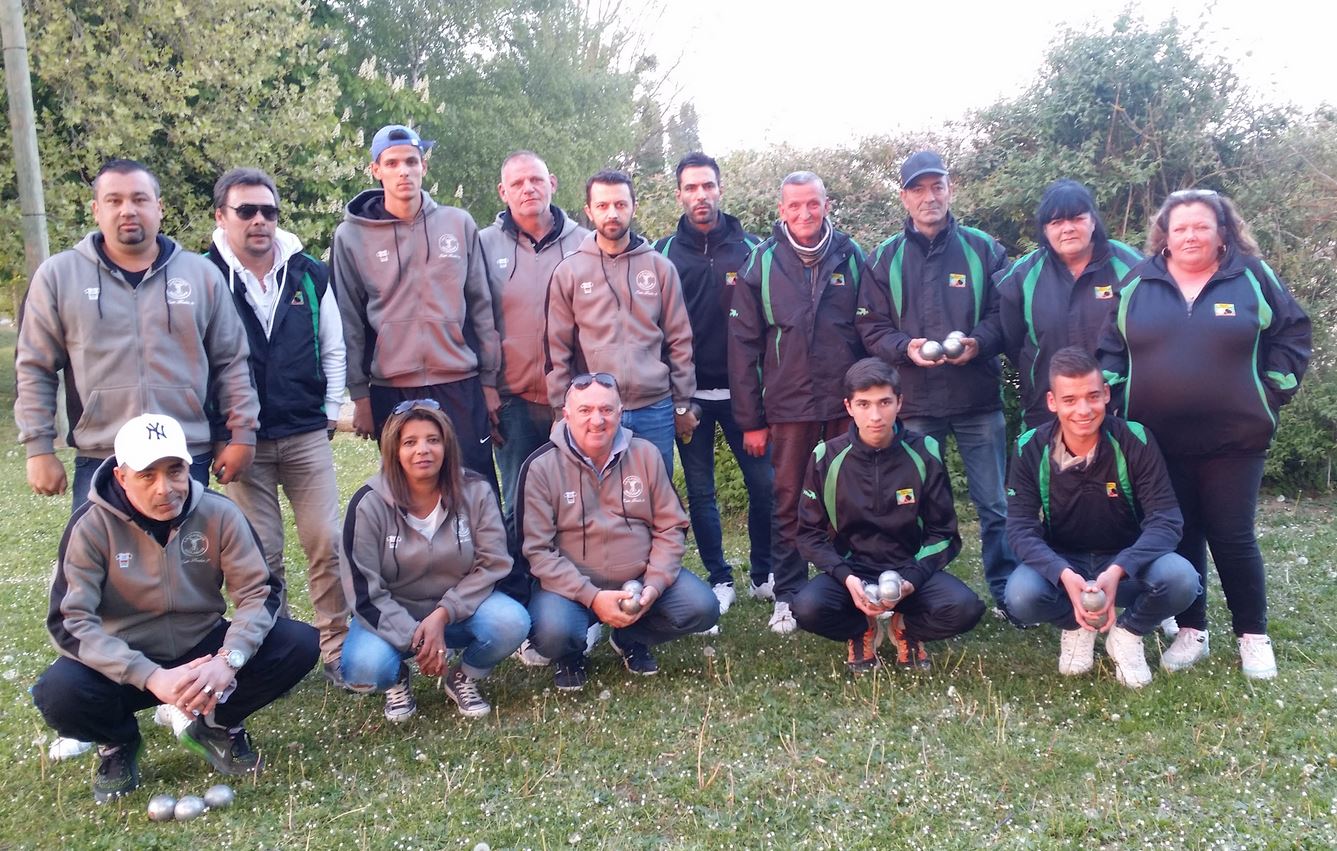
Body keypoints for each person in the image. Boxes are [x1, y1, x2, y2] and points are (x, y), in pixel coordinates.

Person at [32, 414, 318, 803]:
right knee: (58, 691)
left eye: (175, 471)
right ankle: (119, 742)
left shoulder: (220, 513)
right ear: (121, 477)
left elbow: (260, 592)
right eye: (147, 475)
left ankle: (216, 724)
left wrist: (228, 660)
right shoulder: (90, 525)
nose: (164, 488)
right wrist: (150, 676)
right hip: (127, 661)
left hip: (201, 649)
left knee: (298, 642)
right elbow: (70, 621)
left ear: (188, 467)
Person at [1098, 189, 1311, 679]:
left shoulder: (1251, 277)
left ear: (1222, 233)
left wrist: (1272, 389)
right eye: (1180, 228)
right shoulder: (1139, 280)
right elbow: (1109, 347)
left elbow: (1293, 334)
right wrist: (1116, 396)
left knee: (1232, 536)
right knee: (1181, 534)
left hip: (1234, 437)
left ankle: (1253, 637)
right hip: (1156, 440)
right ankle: (1193, 631)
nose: (1190, 235)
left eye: (1201, 226)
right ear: (1165, 237)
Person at [15, 158, 259, 509]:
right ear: (96, 210)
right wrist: (38, 448)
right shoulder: (58, 276)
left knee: (187, 562)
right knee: (100, 563)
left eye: (140, 199)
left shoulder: (201, 275)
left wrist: (241, 434)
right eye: (114, 200)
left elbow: (232, 362)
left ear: (159, 208)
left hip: (185, 454)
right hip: (102, 456)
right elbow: (35, 366)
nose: (128, 210)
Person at [204, 167, 350, 685]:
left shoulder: (309, 273)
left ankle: (335, 647)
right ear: (222, 217)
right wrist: (218, 432)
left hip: (306, 431)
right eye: (246, 211)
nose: (259, 220)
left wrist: (331, 409)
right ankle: (281, 651)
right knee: (260, 556)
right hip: (241, 441)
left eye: (268, 210)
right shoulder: (204, 276)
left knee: (326, 542)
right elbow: (198, 359)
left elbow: (333, 344)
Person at [857, 150, 1018, 616]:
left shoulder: (984, 249)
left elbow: (1002, 316)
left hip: (977, 401)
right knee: (913, 507)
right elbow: (870, 325)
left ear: (950, 189)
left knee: (994, 505)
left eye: (937, 186)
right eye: (918, 189)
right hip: (916, 405)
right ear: (905, 197)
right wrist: (904, 348)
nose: (929, 197)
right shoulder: (883, 257)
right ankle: (918, 588)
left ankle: (1006, 590)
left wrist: (979, 342)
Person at [1004, 348, 1200, 687]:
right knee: (1020, 596)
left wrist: (1118, 570)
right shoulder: (1029, 447)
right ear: (1052, 401)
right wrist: (1062, 574)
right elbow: (1020, 529)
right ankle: (1076, 625)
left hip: (1126, 564)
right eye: (1070, 400)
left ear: (1106, 394)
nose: (1083, 410)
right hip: (1066, 563)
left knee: (1183, 579)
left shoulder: (1135, 439)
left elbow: (1166, 519)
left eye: (1093, 397)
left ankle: (1127, 634)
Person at [728, 171, 867, 635]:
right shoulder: (760, 264)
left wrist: (870, 403)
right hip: (786, 408)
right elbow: (743, 349)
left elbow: (868, 333)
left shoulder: (852, 256)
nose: (804, 213)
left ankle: (846, 587)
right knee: (787, 499)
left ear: (826, 205)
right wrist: (751, 419)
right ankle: (787, 594)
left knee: (845, 498)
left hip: (843, 406)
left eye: (813, 204)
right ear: (781, 209)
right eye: (795, 206)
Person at [520, 374, 719, 690]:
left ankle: (629, 637)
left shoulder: (645, 454)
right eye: (585, 411)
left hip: (637, 582)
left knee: (702, 607)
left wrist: (653, 585)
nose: (597, 420)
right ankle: (570, 654)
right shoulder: (542, 467)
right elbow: (537, 551)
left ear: (620, 411)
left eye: (606, 410)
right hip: (570, 590)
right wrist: (593, 598)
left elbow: (671, 525)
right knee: (552, 632)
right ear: (566, 414)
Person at [332, 124, 501, 487]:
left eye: (411, 161)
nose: (403, 171)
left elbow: (481, 307)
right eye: (392, 163)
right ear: (375, 170)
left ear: (424, 165)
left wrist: (488, 382)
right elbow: (348, 320)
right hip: (392, 386)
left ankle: (485, 547)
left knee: (474, 485)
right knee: (409, 491)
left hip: (458, 380)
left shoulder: (458, 224)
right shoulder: (351, 235)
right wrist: (359, 394)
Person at [340, 401, 529, 720]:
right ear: (393, 450)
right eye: (410, 442)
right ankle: (396, 677)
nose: (422, 450)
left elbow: (493, 562)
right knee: (364, 667)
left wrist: (442, 615)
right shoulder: (368, 503)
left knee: (512, 622)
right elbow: (362, 591)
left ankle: (463, 676)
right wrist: (418, 639)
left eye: (433, 439)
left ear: (447, 445)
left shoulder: (476, 491)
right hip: (393, 613)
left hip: (460, 609)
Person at [793, 359, 983, 672]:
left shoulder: (925, 452)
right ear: (849, 407)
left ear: (899, 403)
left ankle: (905, 627)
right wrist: (847, 577)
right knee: (806, 609)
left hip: (909, 573)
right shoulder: (825, 457)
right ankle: (862, 628)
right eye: (864, 404)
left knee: (966, 609)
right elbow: (809, 534)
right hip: (854, 573)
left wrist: (911, 580)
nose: (876, 415)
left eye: (884, 402)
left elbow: (944, 533)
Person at [653, 152, 776, 620]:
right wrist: (674, 394)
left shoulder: (754, 248)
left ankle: (763, 572)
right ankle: (719, 576)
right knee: (700, 492)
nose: (700, 196)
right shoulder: (662, 252)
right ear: (679, 194)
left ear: (720, 189)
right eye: (691, 188)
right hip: (687, 398)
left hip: (746, 397)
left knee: (763, 486)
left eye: (708, 186)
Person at [545, 169, 698, 477]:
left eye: (620, 204)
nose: (612, 213)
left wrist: (681, 403)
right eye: (602, 206)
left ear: (633, 206)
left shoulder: (659, 268)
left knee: (656, 497)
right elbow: (556, 348)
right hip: (594, 411)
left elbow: (680, 340)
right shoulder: (569, 272)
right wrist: (562, 407)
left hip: (654, 407)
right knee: (600, 500)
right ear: (589, 210)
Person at [479, 151, 589, 560]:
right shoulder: (483, 245)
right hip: (514, 398)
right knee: (519, 500)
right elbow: (475, 318)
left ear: (553, 182)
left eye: (536, 180)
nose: (528, 188)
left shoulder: (584, 242)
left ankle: (577, 589)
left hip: (575, 399)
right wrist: (486, 385)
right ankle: (521, 591)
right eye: (518, 183)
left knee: (575, 498)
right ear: (503, 191)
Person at [991, 179, 1143, 429]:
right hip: (1045, 409)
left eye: (1077, 218)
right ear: (1045, 229)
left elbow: (1144, 335)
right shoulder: (1021, 276)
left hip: (1119, 408)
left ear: (1093, 221)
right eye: (1057, 222)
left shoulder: (1132, 266)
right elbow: (1013, 342)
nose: (1068, 228)